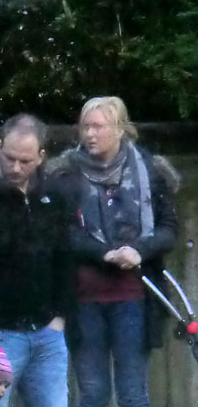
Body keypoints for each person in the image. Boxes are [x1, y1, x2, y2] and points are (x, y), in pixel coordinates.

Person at [50, 96, 180, 407]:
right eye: (85, 127)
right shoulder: (64, 175)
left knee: (133, 392)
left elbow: (168, 228)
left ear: (120, 129)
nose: (89, 134)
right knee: (92, 393)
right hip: (83, 299)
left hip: (134, 296)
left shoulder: (150, 171)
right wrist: (104, 253)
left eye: (97, 126)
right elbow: (59, 233)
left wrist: (139, 250)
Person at [0, 114, 73, 407]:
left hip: (47, 329)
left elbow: (65, 258)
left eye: (24, 161)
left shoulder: (54, 196)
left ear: (41, 157)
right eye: (9, 158)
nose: (15, 167)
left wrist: (60, 317)